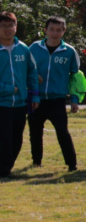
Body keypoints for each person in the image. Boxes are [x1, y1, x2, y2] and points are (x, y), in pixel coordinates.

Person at [0, 11, 38, 178]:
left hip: (20, 102)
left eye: (10, 25)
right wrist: (6, 88)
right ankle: (4, 170)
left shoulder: (23, 49)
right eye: (3, 26)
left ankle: (8, 165)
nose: (7, 29)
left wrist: (35, 96)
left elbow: (32, 73)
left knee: (17, 138)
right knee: (3, 137)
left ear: (16, 27)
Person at [28, 15, 79, 172]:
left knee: (62, 132)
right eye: (51, 29)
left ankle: (72, 164)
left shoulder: (69, 52)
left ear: (63, 32)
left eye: (58, 30)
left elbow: (75, 77)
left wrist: (75, 99)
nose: (54, 33)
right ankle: (37, 162)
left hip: (57, 100)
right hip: (36, 98)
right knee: (35, 132)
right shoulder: (34, 48)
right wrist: (33, 77)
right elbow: (24, 69)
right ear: (45, 30)